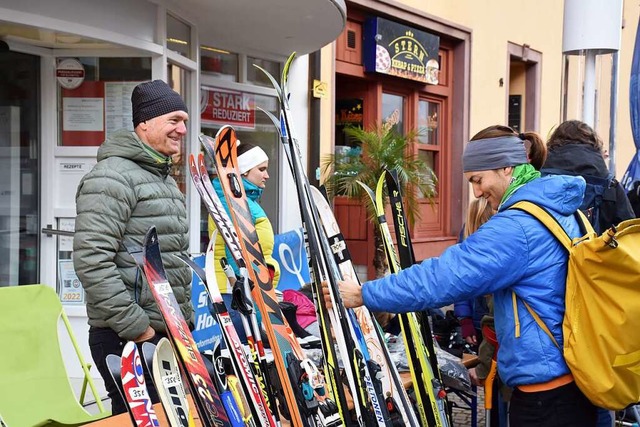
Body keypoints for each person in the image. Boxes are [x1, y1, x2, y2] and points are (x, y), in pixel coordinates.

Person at [335, 125, 599, 426]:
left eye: (478, 179)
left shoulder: (518, 227)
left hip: (548, 398)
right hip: (575, 383)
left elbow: (443, 277)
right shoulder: (561, 210)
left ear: (505, 167)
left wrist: (365, 294)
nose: (476, 191)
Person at [73, 80, 192, 415]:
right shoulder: (112, 177)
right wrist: (138, 328)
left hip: (164, 333)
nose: (182, 129)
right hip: (128, 337)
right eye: (174, 120)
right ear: (145, 123)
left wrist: (183, 323)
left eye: (184, 121)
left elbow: (171, 259)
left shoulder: (161, 177)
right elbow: (91, 259)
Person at [208, 141, 280, 343]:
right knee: (242, 363)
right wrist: (251, 304)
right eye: (262, 169)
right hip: (235, 296)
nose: (267, 175)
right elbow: (235, 252)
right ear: (245, 172)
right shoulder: (231, 201)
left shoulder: (247, 201)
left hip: (245, 293)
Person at [542, 120, 635, 233]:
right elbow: (629, 232)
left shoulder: (539, 179)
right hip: (597, 249)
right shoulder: (610, 186)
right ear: (594, 144)